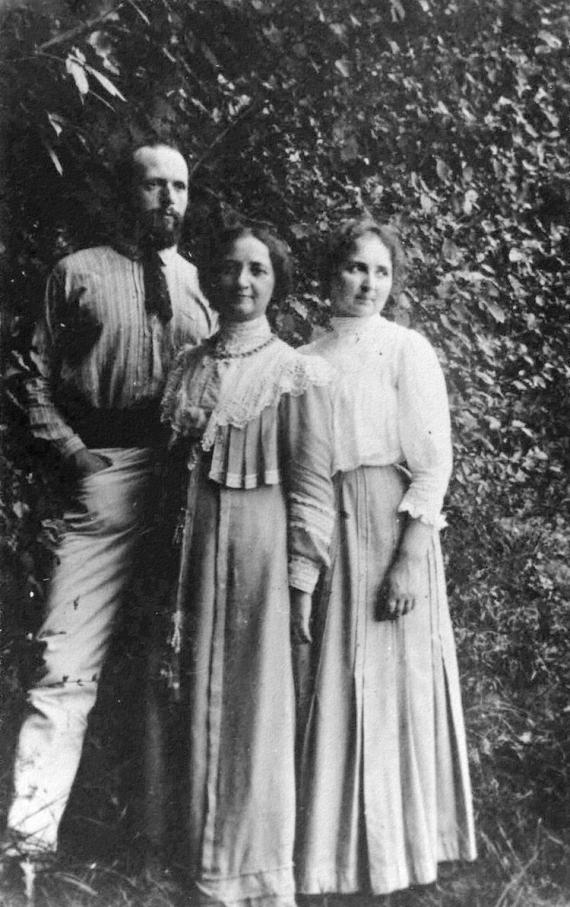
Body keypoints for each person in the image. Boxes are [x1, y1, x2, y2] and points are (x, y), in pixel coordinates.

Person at [3, 141, 215, 864]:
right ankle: (27, 847)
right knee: (65, 660)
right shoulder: (78, 273)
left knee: (177, 658)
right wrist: (74, 456)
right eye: (153, 185)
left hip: (183, 483)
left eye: (179, 187)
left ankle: (167, 846)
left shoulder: (197, 283)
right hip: (105, 475)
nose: (168, 200)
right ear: (126, 193)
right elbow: (28, 377)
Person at [295, 217, 477, 899]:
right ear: (328, 273)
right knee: (332, 678)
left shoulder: (406, 348)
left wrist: (408, 558)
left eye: (380, 271)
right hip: (325, 524)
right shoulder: (303, 356)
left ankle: (403, 854)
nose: (367, 282)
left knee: (394, 685)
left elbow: (433, 462)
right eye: (354, 266)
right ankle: (334, 859)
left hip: (391, 524)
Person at [160, 221, 334, 906]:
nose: (241, 281)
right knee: (190, 689)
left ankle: (251, 875)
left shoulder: (294, 373)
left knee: (252, 703)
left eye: (257, 270)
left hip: (258, 554)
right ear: (212, 276)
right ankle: (193, 857)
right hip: (190, 549)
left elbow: (314, 485)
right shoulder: (189, 365)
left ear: (276, 281)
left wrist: (300, 582)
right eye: (230, 268)